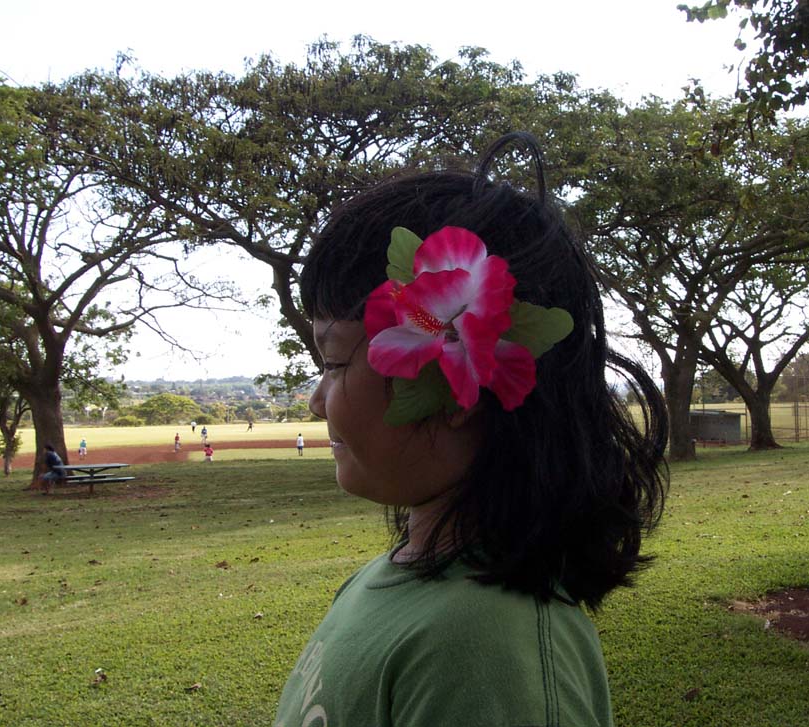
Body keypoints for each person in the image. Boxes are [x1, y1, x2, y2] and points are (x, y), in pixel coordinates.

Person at [272, 132, 668, 727]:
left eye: (331, 363)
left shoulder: (480, 649)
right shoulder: (389, 585)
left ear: (458, 386)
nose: (314, 402)